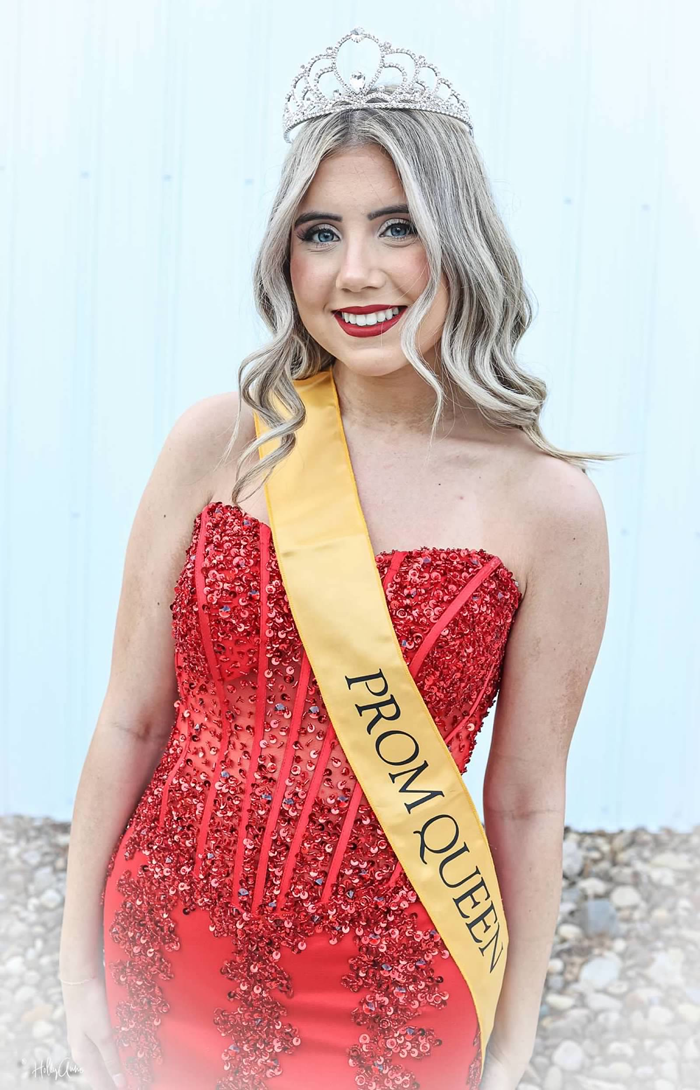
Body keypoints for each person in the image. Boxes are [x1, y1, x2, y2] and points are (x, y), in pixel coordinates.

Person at [59, 27, 612, 1090]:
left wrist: (515, 1039)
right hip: (162, 951)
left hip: (396, 992)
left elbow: (528, 799)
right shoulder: (219, 441)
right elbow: (130, 715)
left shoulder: (551, 508)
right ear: (286, 256)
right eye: (320, 232)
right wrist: (77, 960)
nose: (356, 271)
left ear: (461, 243)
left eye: (397, 227)